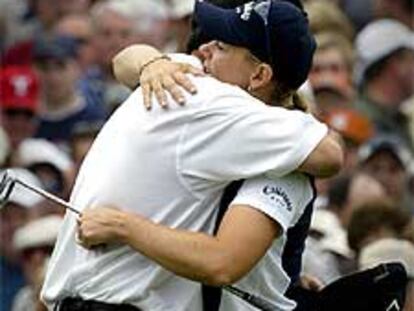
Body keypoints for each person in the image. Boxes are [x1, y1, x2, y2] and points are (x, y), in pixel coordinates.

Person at [42, 1, 343, 310]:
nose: (205, 48)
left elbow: (329, 154)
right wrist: (151, 63)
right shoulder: (195, 82)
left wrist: (125, 227)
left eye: (223, 46)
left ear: (259, 75)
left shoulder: (216, 100)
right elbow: (127, 60)